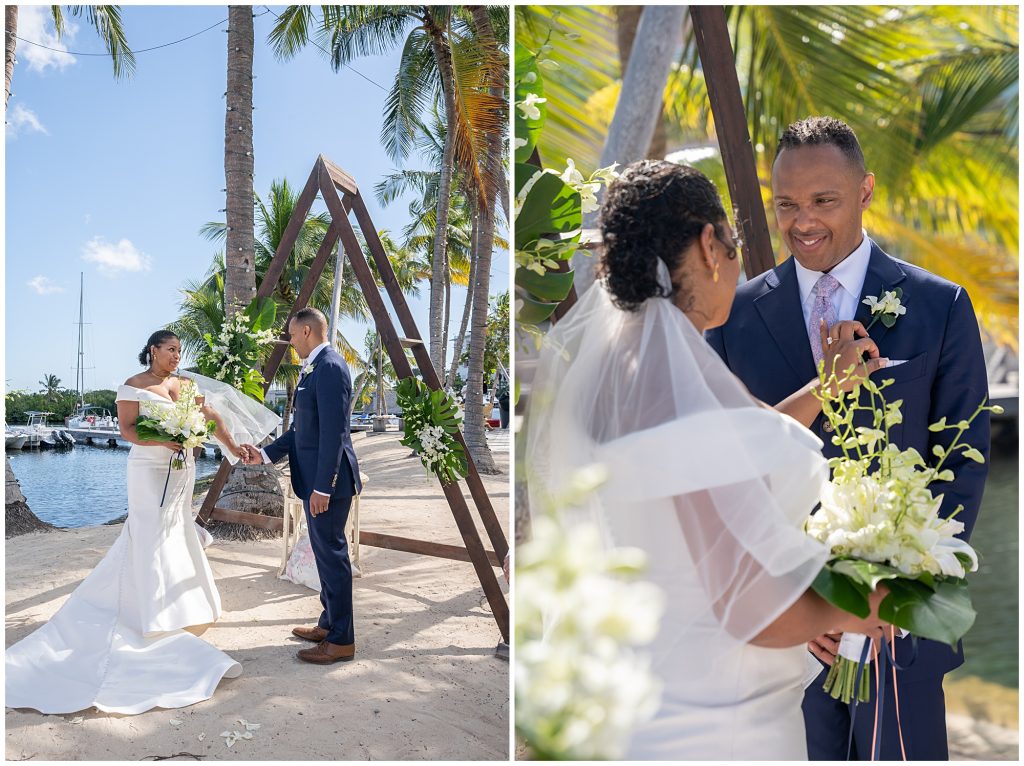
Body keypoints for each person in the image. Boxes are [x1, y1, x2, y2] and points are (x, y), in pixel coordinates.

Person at [526, 160, 889, 760]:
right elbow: (745, 606)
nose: (741, 259)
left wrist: (825, 388)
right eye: (736, 241)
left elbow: (729, 445)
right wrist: (863, 602)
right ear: (707, 244)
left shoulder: (623, 369)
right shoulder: (668, 382)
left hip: (651, 691)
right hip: (718, 723)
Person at [706, 116, 990, 760]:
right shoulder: (734, 318)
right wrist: (799, 605)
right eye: (786, 204)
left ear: (864, 190)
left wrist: (897, 591)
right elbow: (731, 478)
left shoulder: (939, 305)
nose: (802, 220)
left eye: (822, 201)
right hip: (786, 646)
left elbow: (962, 467)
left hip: (901, 631)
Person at [5, 330, 278, 715]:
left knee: (177, 531)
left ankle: (186, 606)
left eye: (179, 351)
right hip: (148, 469)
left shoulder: (184, 384)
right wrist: (162, 442)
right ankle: (149, 611)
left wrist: (234, 449)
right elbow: (128, 431)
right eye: (170, 350)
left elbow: (210, 416)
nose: (175, 356)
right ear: (153, 350)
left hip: (180, 470)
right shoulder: (131, 386)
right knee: (148, 533)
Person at [240, 307, 361, 665]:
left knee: (334, 559)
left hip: (329, 486)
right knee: (325, 558)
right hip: (315, 483)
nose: (290, 342)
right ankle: (329, 624)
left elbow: (335, 434)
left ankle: (341, 641)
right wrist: (263, 455)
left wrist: (323, 487)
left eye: (292, 335)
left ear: (307, 331)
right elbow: (301, 433)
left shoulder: (330, 368)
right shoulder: (315, 368)